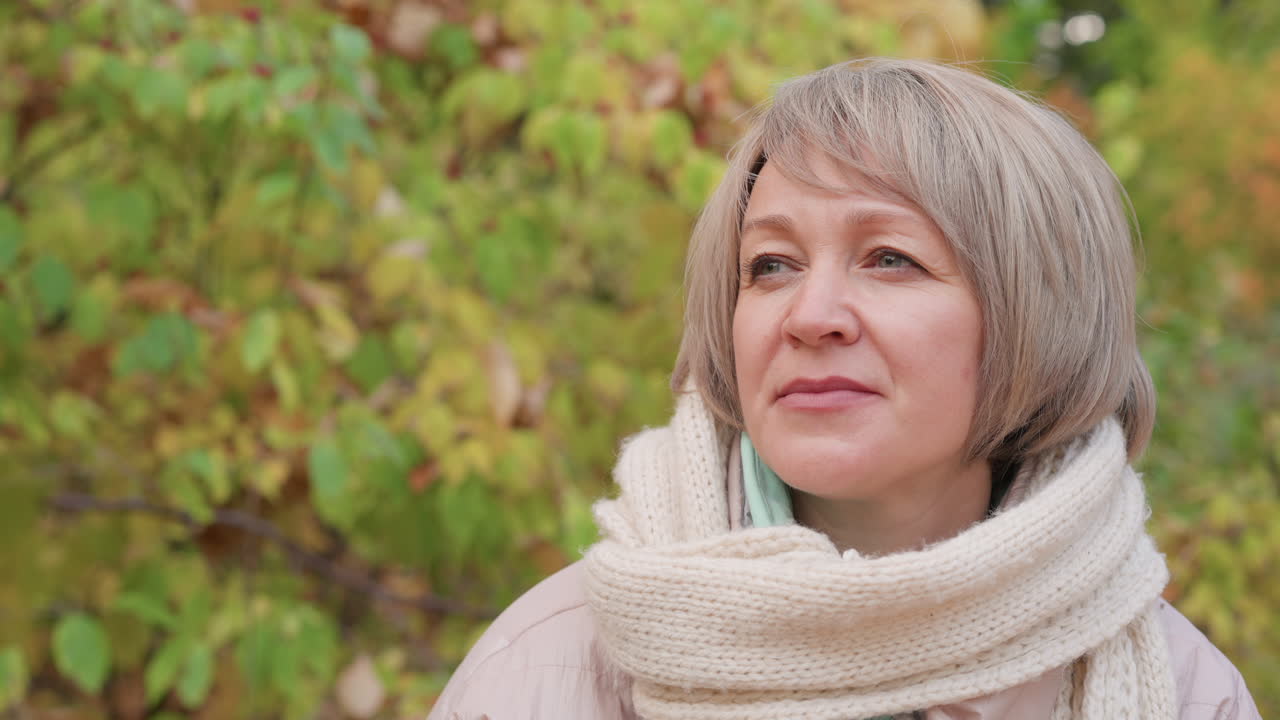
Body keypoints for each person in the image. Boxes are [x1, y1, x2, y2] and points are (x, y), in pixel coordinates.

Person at [427, 58, 1262, 720]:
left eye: (889, 258)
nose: (810, 314)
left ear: (1037, 312)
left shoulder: (1187, 695)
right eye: (772, 266)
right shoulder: (548, 671)